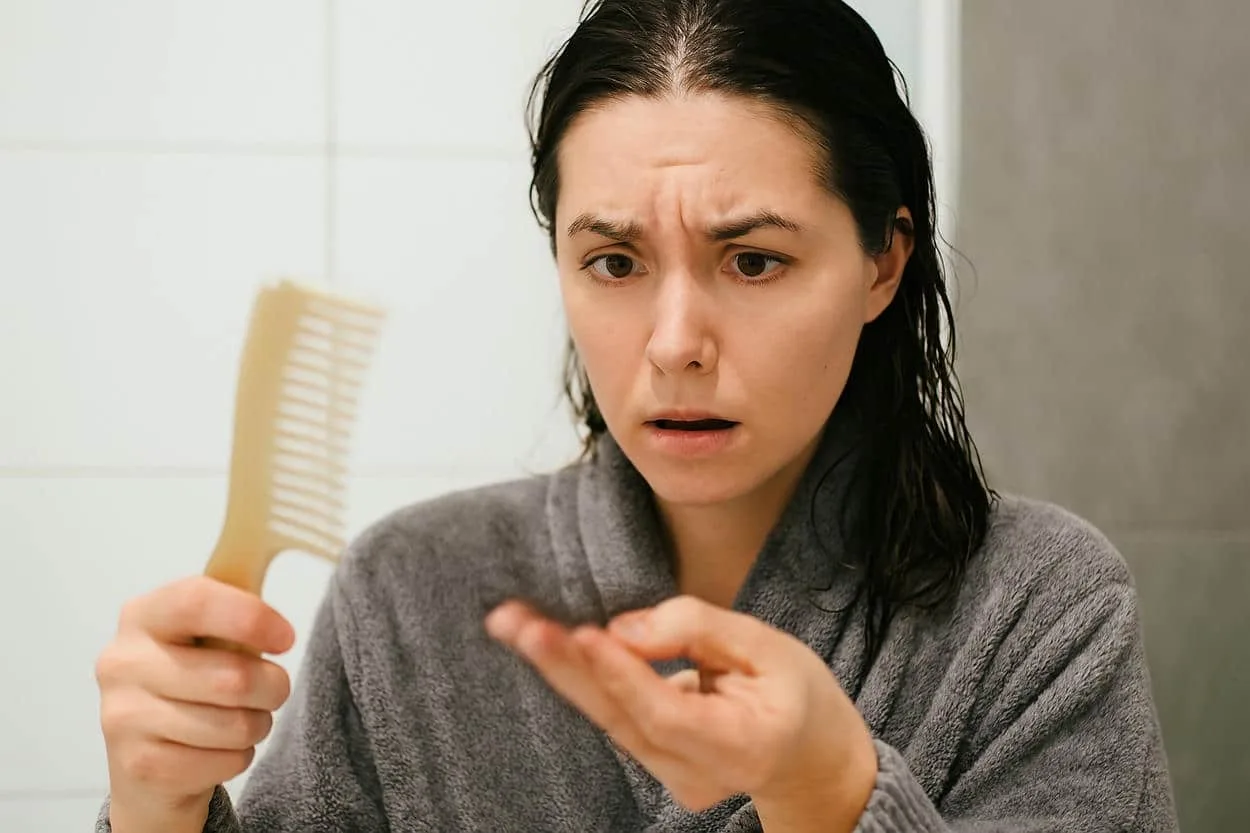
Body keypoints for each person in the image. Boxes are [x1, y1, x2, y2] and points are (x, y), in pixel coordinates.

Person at [92, 1, 1179, 831]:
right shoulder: (410, 590)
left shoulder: (1039, 607)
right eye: (611, 261)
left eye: (752, 260)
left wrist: (830, 789)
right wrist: (156, 801)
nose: (671, 342)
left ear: (882, 261)